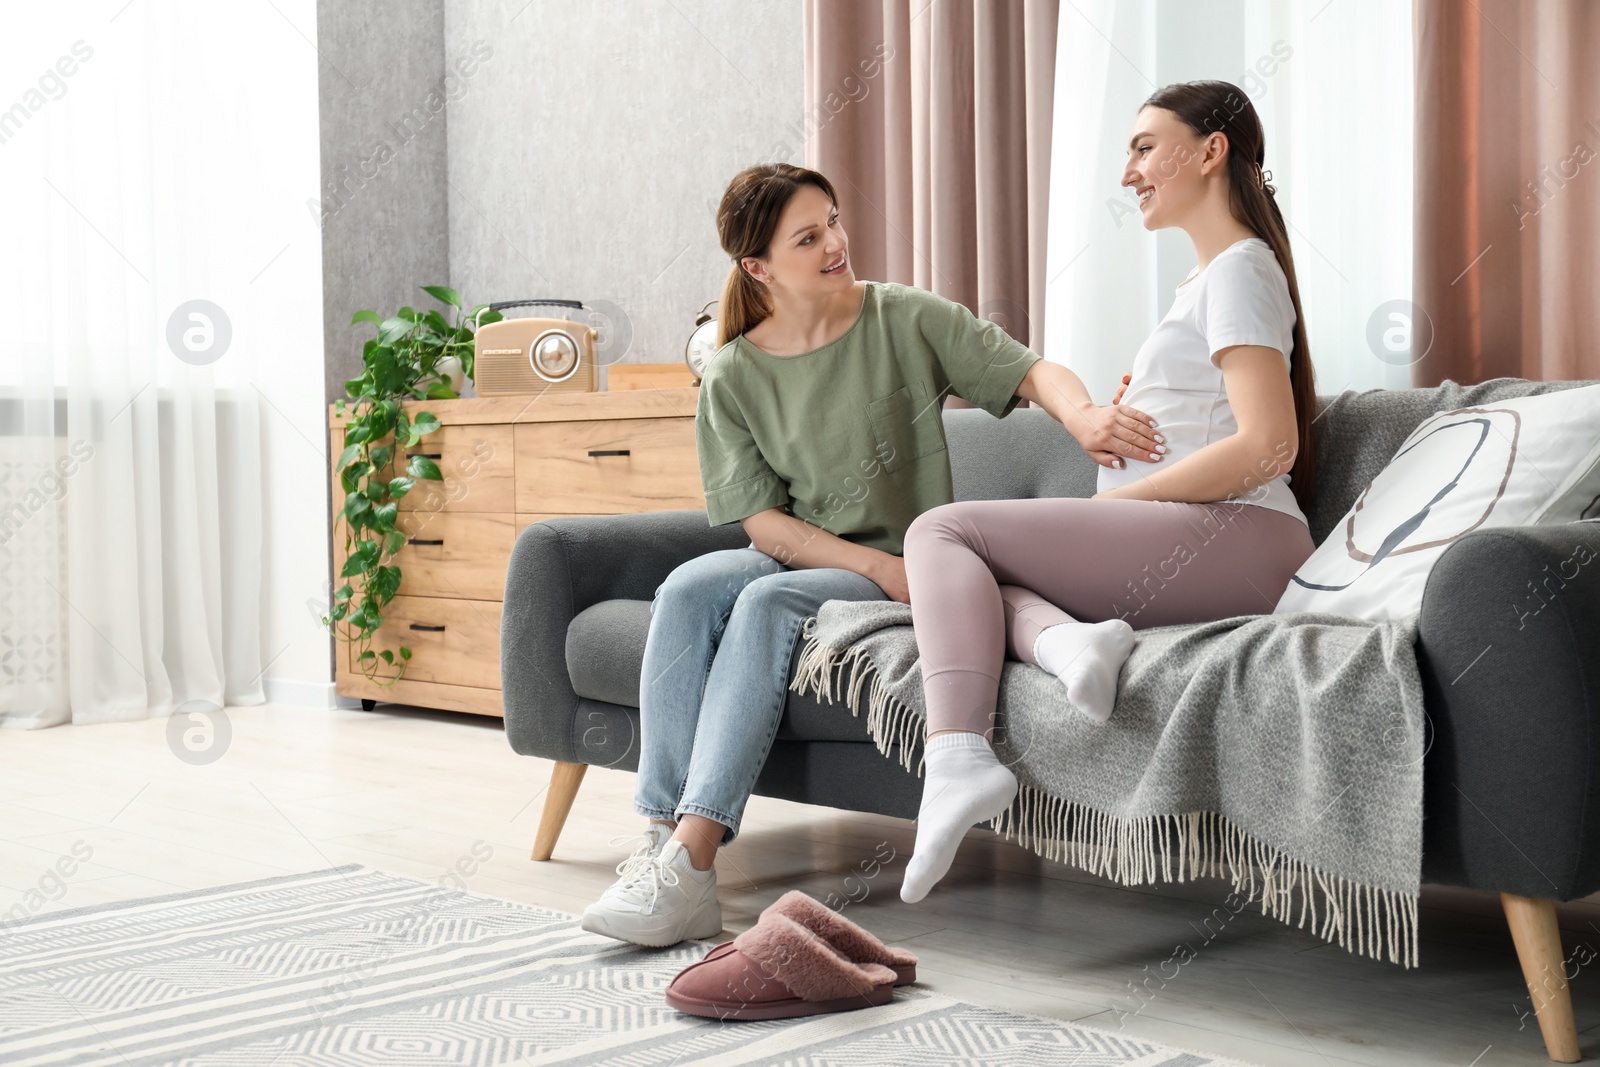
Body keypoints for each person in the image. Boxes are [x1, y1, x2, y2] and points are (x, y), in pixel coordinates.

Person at [579, 162, 1166, 947]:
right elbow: (766, 525)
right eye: (809, 236)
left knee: (761, 602)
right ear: (758, 267)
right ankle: (661, 843)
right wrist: (877, 572)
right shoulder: (732, 375)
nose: (835, 244)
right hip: (816, 555)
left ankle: (695, 853)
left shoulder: (902, 318)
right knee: (686, 587)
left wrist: (1086, 413)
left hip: (904, 556)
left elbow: (1029, 370)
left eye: (833, 223)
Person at [894, 79, 1323, 904]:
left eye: (1143, 147)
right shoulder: (1214, 281)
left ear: (1211, 150)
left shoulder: (1240, 270)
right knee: (972, 575)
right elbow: (1217, 417)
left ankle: (957, 757)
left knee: (940, 535)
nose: (1128, 173)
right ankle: (1070, 644)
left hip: (1238, 537)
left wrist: (1121, 503)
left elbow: (1271, 444)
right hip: (1214, 537)